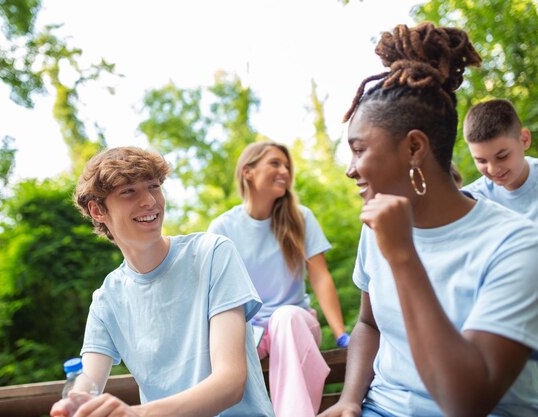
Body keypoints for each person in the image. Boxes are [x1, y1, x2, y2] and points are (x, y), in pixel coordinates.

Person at [319, 22, 538, 417]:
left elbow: (466, 402)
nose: (351, 170)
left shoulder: (517, 245)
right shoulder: (378, 226)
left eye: (359, 150)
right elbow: (369, 324)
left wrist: (403, 256)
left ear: (415, 147)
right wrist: (350, 401)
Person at [50, 147, 275, 417]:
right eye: (128, 191)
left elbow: (230, 383)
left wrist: (139, 414)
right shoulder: (107, 299)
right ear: (98, 210)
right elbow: (90, 380)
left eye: (153, 186)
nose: (149, 201)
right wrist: (76, 400)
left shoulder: (212, 253)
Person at [208, 141, 349, 417]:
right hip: (249, 332)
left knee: (285, 317)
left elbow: (320, 278)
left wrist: (340, 333)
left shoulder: (300, 218)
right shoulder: (223, 227)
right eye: (275, 163)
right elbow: (215, 294)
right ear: (248, 171)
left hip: (296, 324)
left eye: (286, 165)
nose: (284, 170)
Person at [462, 98, 537, 223]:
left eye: (502, 156)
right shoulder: (472, 199)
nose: (493, 169)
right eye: (481, 161)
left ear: (524, 139)